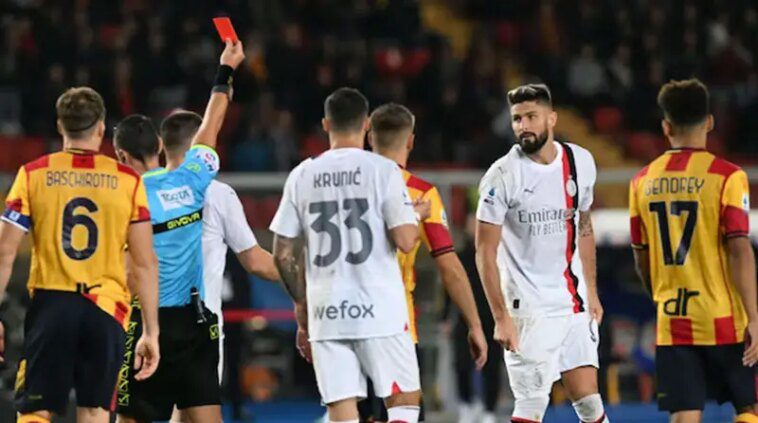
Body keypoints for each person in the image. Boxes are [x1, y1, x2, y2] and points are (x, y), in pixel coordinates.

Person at [0, 87, 160, 423]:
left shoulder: (33, 174)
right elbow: (144, 263)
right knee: (94, 412)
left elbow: (5, 250)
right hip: (106, 309)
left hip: (52, 306)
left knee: (34, 411)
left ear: (61, 126)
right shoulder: (129, 181)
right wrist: (150, 331)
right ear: (101, 128)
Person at [270, 87, 423, 423]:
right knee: (403, 400)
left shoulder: (302, 175)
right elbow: (405, 240)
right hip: (379, 309)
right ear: (367, 124)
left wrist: (302, 305)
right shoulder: (383, 170)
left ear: (326, 124)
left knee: (341, 408)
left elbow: (282, 254)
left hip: (326, 311)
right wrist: (415, 215)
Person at [113, 39, 245, 423]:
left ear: (120, 156)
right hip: (195, 321)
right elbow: (210, 127)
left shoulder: (125, 196)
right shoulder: (192, 181)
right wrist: (226, 70)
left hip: (144, 322)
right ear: (158, 145)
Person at [475, 83, 609, 423]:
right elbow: (484, 251)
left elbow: (584, 228)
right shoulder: (501, 176)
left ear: (552, 118)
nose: (523, 126)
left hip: (573, 303)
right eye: (517, 119)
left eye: (531, 116)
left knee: (590, 403)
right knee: (531, 407)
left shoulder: (580, 161)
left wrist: (591, 291)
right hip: (529, 310)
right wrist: (501, 317)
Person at [629, 78, 758, 423]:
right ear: (710, 122)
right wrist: (755, 317)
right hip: (725, 318)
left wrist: (660, 297)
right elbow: (739, 249)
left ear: (666, 127)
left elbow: (641, 256)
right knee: (749, 407)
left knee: (685, 414)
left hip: (673, 321)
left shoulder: (641, 181)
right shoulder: (728, 177)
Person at [359, 102, 487, 422]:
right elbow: (449, 266)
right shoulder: (421, 193)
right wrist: (474, 324)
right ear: (411, 141)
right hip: (395, 326)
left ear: (370, 138)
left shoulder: (347, 186)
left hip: (347, 322)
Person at [160, 110, 281, 380]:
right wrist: (303, 274)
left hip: (150, 322)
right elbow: (256, 262)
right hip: (199, 324)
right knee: (198, 404)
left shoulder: (143, 190)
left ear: (162, 145)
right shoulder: (217, 194)